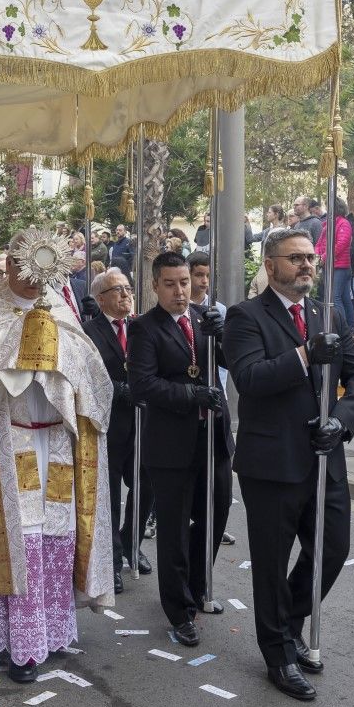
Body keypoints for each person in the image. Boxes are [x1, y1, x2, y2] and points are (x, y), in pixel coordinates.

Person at [0, 229, 115, 683]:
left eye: (40, 271)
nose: (31, 279)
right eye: (21, 267)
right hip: (3, 444)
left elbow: (90, 373)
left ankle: (52, 632)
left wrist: (54, 353)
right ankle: (20, 646)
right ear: (8, 266)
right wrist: (20, 348)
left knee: (56, 540)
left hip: (57, 444)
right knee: (18, 541)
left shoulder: (60, 309)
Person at [225, 228, 354, 700]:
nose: (308, 265)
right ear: (271, 266)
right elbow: (249, 378)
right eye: (296, 258)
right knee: (271, 562)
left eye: (311, 257)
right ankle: (278, 654)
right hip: (271, 462)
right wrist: (305, 354)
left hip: (323, 458)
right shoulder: (245, 316)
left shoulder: (328, 314)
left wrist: (343, 421)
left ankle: (289, 621)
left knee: (331, 551)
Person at [129, 251, 230, 647]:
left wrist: (225, 336)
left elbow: (232, 362)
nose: (180, 291)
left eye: (185, 282)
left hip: (214, 440)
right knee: (174, 529)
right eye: (170, 284)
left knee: (214, 517)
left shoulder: (206, 321)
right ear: (155, 286)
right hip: (171, 444)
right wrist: (191, 395)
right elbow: (143, 385)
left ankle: (200, 586)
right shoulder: (145, 328)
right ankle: (179, 608)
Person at [83, 267, 147, 594]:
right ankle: (113, 559)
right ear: (101, 298)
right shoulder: (89, 332)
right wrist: (117, 390)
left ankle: (131, 541)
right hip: (108, 424)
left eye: (127, 288)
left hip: (142, 421)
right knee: (109, 496)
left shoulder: (141, 327)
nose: (125, 294)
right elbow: (87, 378)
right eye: (117, 290)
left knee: (145, 486)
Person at [313, 199, 354, 326]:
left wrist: (324, 257)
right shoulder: (327, 224)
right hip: (330, 266)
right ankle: (350, 326)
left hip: (340, 268)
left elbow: (341, 244)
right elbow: (320, 243)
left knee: (335, 297)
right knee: (344, 298)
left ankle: (341, 328)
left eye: (329, 207)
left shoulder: (344, 223)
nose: (327, 209)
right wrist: (317, 255)